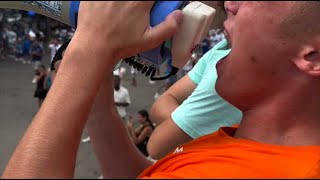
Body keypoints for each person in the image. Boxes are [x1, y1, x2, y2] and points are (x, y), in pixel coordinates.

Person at [3, 2, 320, 179]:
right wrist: (99, 105)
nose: (230, 4)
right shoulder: (259, 147)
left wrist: (87, 52)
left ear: (313, 56)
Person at [147, 38, 242, 159]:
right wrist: (187, 125)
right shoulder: (222, 47)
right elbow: (159, 105)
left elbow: (156, 146)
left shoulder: (231, 67)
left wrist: (181, 125)